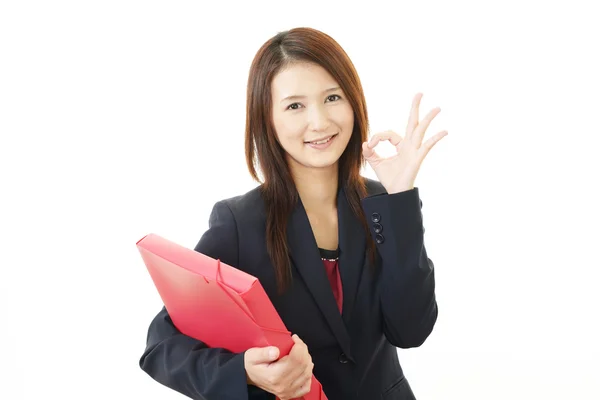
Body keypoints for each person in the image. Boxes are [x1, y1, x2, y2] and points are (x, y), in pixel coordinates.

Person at [139, 26, 447, 400]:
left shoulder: (381, 203)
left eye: (332, 97)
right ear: (267, 118)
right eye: (295, 105)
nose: (319, 122)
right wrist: (245, 372)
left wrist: (400, 200)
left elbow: (410, 330)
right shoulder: (240, 222)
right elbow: (161, 344)